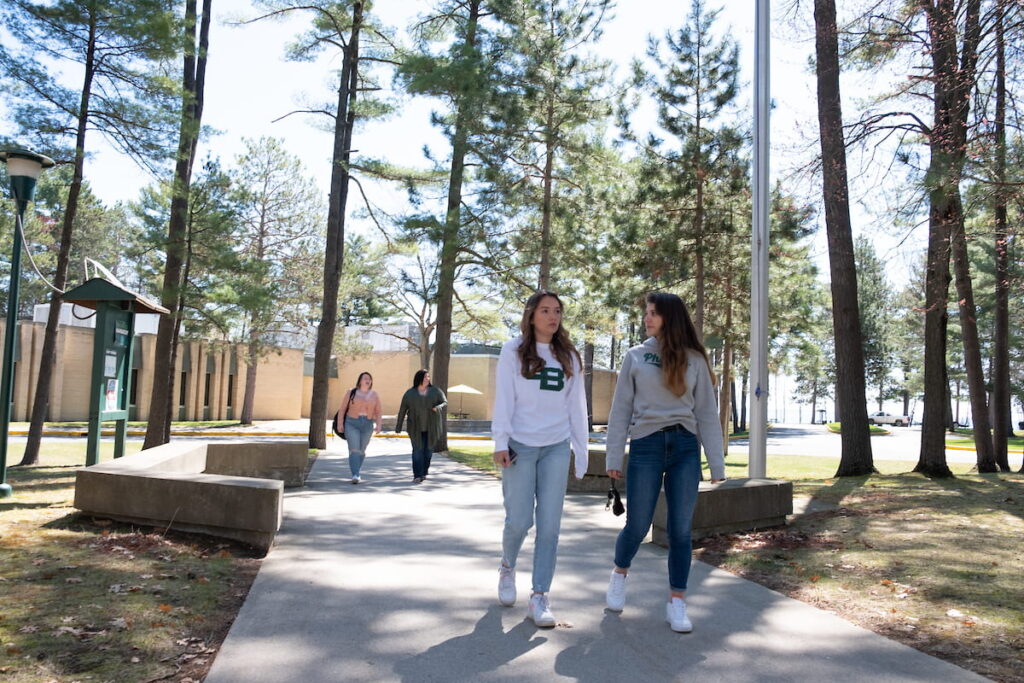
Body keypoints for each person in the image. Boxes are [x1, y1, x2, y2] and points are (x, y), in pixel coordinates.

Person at [604, 292, 726, 633]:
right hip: (646, 444)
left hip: (685, 447)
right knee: (638, 525)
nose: (647, 318)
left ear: (670, 317)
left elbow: (706, 413)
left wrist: (716, 464)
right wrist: (614, 456)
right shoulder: (636, 356)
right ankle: (619, 572)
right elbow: (620, 411)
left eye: (654, 313)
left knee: (680, 530)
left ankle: (677, 602)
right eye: (647, 313)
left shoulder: (695, 361)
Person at [491, 291, 589, 628]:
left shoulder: (569, 356)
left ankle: (540, 596)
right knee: (519, 521)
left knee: (550, 527)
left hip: (556, 447)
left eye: (557, 311)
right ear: (531, 314)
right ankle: (507, 566)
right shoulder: (513, 351)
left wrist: (581, 450)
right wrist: (500, 441)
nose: (552, 316)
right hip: (520, 446)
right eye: (545, 310)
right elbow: (504, 399)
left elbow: (577, 406)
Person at [395, 369, 447, 484]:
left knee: (428, 452)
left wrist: (437, 407)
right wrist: (398, 426)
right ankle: (417, 475)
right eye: (425, 377)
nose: (427, 379)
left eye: (428, 377)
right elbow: (403, 409)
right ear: (418, 378)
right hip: (415, 427)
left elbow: (444, 401)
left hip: (432, 427)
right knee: (417, 451)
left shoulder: (435, 391)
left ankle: (424, 472)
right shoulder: (409, 393)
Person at [341, 371, 382, 484]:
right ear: (360, 381)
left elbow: (378, 412)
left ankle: (356, 470)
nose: (367, 380)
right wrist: (340, 424)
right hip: (352, 423)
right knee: (354, 449)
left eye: (369, 378)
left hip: (367, 424)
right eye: (365, 378)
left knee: (361, 450)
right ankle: (355, 474)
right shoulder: (351, 392)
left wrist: (378, 424)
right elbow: (343, 409)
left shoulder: (374, 394)